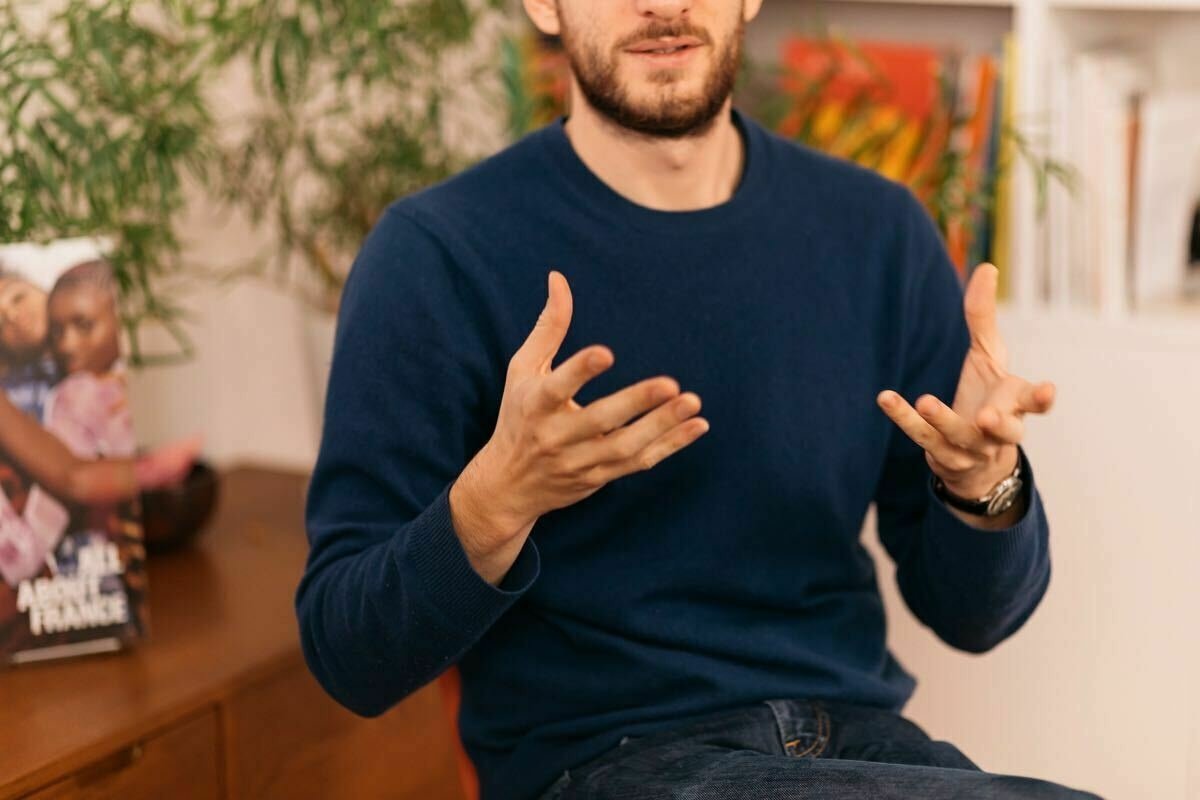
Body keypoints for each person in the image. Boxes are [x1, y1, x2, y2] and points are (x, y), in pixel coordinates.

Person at [297, 2, 1101, 799]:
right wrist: (496, 501)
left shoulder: (878, 233)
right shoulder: (437, 254)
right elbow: (350, 657)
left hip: (861, 746)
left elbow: (976, 617)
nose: (665, 4)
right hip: (607, 763)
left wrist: (984, 483)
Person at [0, 259, 199, 586]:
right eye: (58, 331)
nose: (67, 344)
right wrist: (148, 470)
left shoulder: (84, 390)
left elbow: (74, 478)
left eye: (18, 297)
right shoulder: (74, 395)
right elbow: (73, 478)